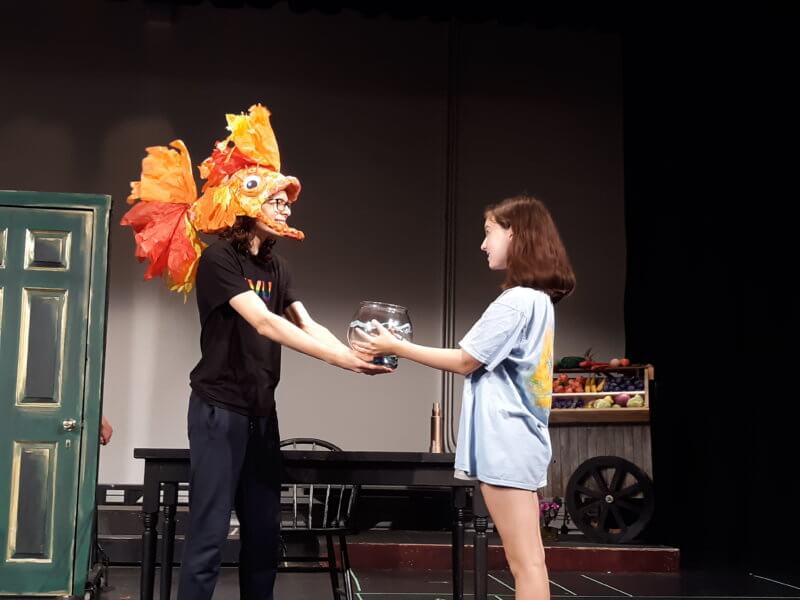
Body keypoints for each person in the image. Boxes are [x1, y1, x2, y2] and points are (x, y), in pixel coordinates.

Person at [121, 104, 390, 600]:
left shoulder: (278, 266)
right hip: (217, 411)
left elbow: (307, 323)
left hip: (262, 415)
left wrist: (357, 356)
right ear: (248, 203)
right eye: (278, 199)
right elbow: (265, 323)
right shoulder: (219, 260)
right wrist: (342, 361)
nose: (287, 206)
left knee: (264, 538)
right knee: (207, 535)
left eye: (289, 201)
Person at [353, 195, 575, 600]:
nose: (483, 244)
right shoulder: (538, 301)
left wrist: (396, 345)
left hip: (507, 444)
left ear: (515, 234)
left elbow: (466, 360)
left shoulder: (518, 301)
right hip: (519, 442)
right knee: (529, 561)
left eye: (489, 232)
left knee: (525, 564)